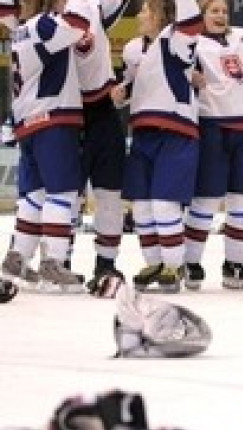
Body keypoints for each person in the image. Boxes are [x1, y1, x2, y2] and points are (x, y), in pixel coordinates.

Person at [1, 0, 93, 292]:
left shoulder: (19, 31)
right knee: (62, 193)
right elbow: (80, 23)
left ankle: (18, 257)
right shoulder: (45, 23)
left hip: (27, 121)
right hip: (53, 118)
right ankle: (53, 262)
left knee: (35, 195)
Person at [181, 0, 243, 291]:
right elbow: (174, 68)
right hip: (212, 123)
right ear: (201, 16)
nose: (220, 16)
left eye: (223, 11)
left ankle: (235, 263)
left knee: (242, 200)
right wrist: (188, 76)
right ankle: (190, 262)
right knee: (205, 199)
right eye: (213, 11)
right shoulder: (192, 43)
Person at [122, 0, 202, 293]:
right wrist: (123, 91)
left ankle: (173, 264)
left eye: (145, 10)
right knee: (142, 206)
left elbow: (192, 21)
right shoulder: (133, 49)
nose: (140, 14)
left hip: (175, 130)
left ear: (160, 16)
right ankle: (154, 262)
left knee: (164, 203)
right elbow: (136, 83)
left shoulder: (174, 38)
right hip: (143, 132)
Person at [75, 0, 131, 290]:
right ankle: (59, 263)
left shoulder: (93, 7)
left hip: (104, 111)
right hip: (67, 112)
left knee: (110, 193)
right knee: (65, 195)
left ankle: (106, 263)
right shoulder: (42, 18)